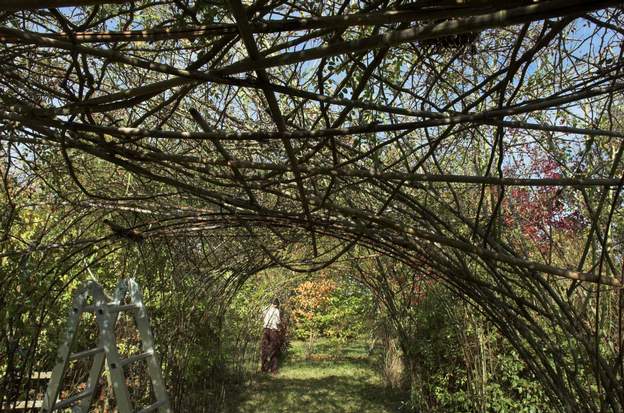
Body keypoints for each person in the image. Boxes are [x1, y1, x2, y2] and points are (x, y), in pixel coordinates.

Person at [261, 298, 281, 373]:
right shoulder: (276, 311)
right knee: (274, 349)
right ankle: (274, 369)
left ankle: (264, 368)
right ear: (276, 304)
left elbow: (263, 318)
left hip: (265, 330)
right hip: (273, 330)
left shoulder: (264, 309)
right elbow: (278, 321)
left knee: (264, 349)